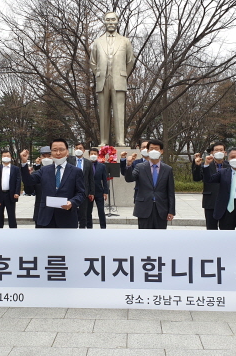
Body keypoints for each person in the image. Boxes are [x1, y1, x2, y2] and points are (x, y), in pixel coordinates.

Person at [90, 11, 135, 146]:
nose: (110, 22)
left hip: (119, 80)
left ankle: (120, 140)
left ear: (117, 22)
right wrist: (98, 73)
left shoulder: (125, 41)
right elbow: (93, 62)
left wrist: (124, 75)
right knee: (103, 112)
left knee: (119, 111)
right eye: (108, 20)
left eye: (113, 20)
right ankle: (104, 141)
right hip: (102, 80)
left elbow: (130, 61)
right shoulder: (97, 42)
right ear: (104, 22)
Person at [19, 139, 85, 228]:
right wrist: (24, 163)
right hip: (46, 218)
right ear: (51, 152)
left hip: (67, 217)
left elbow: (81, 193)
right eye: (54, 150)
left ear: (67, 152)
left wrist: (72, 203)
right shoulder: (44, 170)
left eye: (61, 150)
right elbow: (29, 181)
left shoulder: (76, 171)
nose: (58, 153)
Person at [124, 139, 176, 229]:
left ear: (161, 151)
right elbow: (129, 179)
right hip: (144, 208)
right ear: (147, 151)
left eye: (156, 149)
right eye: (151, 149)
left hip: (161, 208)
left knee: (160, 237)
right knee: (144, 237)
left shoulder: (167, 169)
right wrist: (128, 165)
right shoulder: (140, 167)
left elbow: (170, 191)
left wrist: (171, 210)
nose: (154, 151)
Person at [192, 142, 229, 230]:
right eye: (216, 150)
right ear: (211, 153)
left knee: (227, 228)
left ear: (225, 152)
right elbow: (197, 178)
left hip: (227, 202)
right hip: (210, 201)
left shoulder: (230, 166)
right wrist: (196, 165)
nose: (219, 152)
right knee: (211, 228)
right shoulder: (205, 165)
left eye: (221, 150)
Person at [68, 142, 95, 228]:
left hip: (84, 192)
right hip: (71, 191)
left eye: (80, 148)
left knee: (84, 213)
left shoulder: (88, 163)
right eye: (77, 148)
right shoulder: (69, 161)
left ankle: (82, 229)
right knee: (72, 212)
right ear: (74, 150)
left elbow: (91, 178)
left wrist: (91, 192)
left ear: (84, 150)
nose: (78, 150)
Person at [25, 146, 53, 227]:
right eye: (44, 156)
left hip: (56, 212)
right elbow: (29, 191)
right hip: (40, 211)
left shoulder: (60, 172)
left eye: (49, 156)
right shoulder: (36, 174)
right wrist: (28, 176)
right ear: (40, 157)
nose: (47, 158)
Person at [0, 150, 21, 228]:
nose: (6, 157)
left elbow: (18, 180)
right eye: (4, 156)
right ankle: (0, 230)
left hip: (10, 194)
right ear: (1, 157)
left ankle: (13, 231)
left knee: (11, 214)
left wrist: (17, 192)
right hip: (0, 194)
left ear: (11, 157)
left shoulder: (15, 169)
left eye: (8, 156)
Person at [88, 148, 109, 229]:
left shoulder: (102, 166)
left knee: (101, 211)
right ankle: (89, 228)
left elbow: (104, 179)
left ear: (97, 155)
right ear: (89, 155)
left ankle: (103, 227)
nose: (93, 155)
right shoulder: (86, 165)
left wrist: (105, 191)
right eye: (91, 154)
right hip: (89, 192)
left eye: (95, 154)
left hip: (99, 191)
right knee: (88, 211)